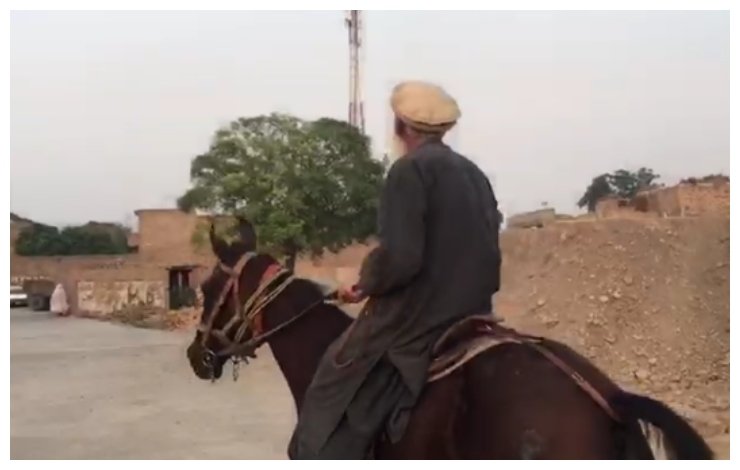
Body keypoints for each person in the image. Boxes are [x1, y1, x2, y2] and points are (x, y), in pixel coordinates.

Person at [288, 81, 502, 459]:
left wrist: (366, 284)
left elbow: (402, 258)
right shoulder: (475, 174)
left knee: (334, 373)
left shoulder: (407, 171)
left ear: (401, 127)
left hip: (420, 315)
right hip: (476, 309)